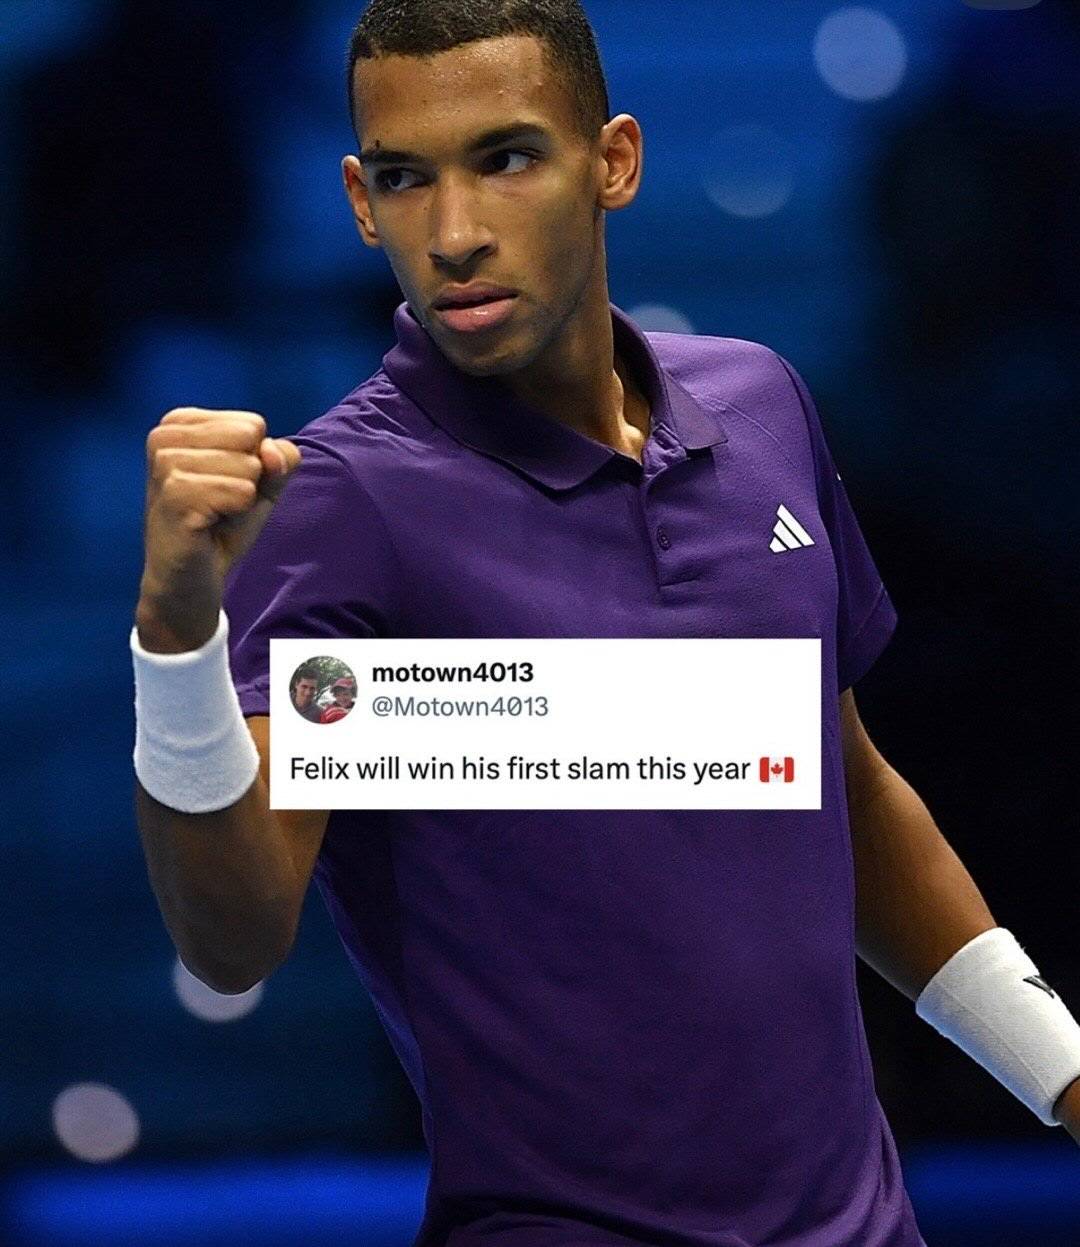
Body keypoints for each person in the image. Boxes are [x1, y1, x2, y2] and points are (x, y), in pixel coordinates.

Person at [129, 2, 1080, 1245]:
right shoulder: (341, 504)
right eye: (407, 178)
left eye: (506, 158)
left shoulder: (763, 404)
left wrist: (1066, 1073)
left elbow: (840, 785)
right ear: (361, 201)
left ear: (613, 162)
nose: (455, 233)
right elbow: (233, 939)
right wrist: (174, 635)